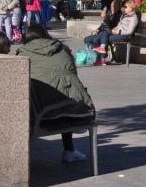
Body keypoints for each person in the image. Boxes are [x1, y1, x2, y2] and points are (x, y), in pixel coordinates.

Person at [18, 25, 95, 163]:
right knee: (64, 95)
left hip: (42, 114)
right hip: (77, 111)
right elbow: (73, 74)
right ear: (45, 34)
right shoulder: (62, 49)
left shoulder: (22, 53)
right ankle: (69, 150)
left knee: (55, 97)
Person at [86, 0, 139, 65]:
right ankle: (101, 52)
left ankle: (100, 56)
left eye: (126, 7)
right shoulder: (125, 16)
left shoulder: (134, 18)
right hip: (116, 34)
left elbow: (130, 31)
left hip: (125, 36)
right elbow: (117, 26)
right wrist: (112, 29)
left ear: (131, 8)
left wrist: (118, 32)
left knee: (102, 36)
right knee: (104, 34)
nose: (124, 8)